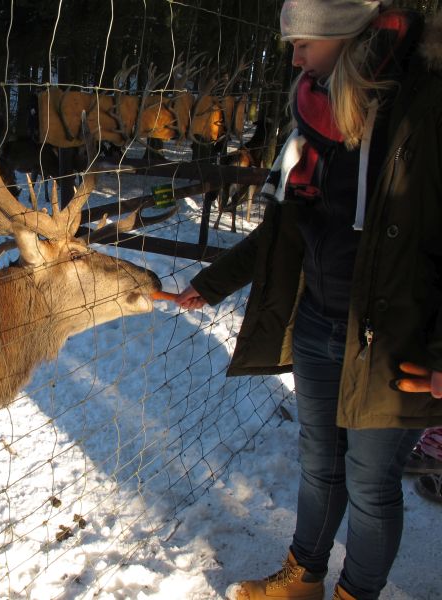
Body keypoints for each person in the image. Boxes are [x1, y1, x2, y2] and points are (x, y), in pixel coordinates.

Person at [173, 1, 442, 599]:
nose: (292, 55)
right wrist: (214, 281)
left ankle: (355, 595)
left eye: (302, 43)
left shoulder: (423, 106)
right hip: (320, 319)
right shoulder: (316, 113)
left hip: (395, 339)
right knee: (320, 464)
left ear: (346, 36)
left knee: (371, 484)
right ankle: (304, 578)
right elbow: (284, 227)